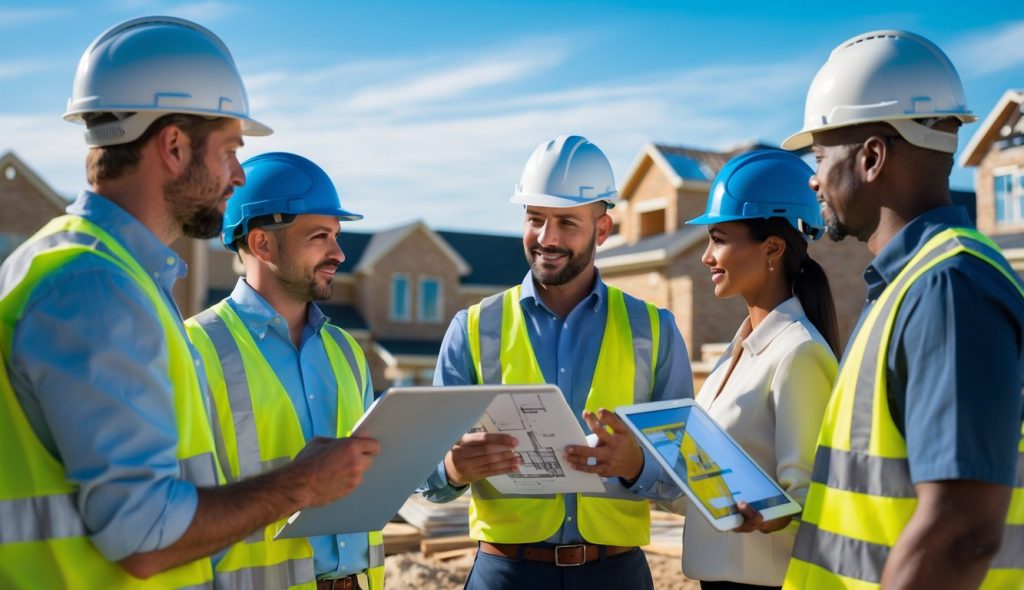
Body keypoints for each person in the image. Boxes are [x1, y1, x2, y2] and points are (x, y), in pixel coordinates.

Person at [0, 17, 378, 589]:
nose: (237, 176)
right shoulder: (95, 286)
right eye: (229, 150)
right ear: (174, 146)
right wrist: (302, 484)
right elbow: (144, 536)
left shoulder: (94, 271)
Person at [778, 30, 1024, 590]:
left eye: (819, 156)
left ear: (870, 157)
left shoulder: (949, 287)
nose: (813, 178)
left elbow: (961, 530)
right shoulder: (908, 286)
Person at [422, 134, 695, 590]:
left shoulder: (654, 329)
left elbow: (686, 472)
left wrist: (635, 466)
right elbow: (421, 467)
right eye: (535, 219)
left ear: (602, 230)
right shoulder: (472, 328)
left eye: (567, 222)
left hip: (616, 574)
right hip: (505, 574)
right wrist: (452, 469)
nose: (547, 239)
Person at [185, 152, 384, 590]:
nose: (338, 253)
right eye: (319, 236)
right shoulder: (192, 350)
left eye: (336, 235)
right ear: (262, 244)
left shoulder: (347, 352)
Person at [677, 149, 839, 590]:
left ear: (772, 247)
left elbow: (812, 500)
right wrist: (635, 465)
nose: (707, 257)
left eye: (719, 238)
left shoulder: (798, 354)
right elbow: (705, 491)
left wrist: (766, 517)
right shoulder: (733, 358)